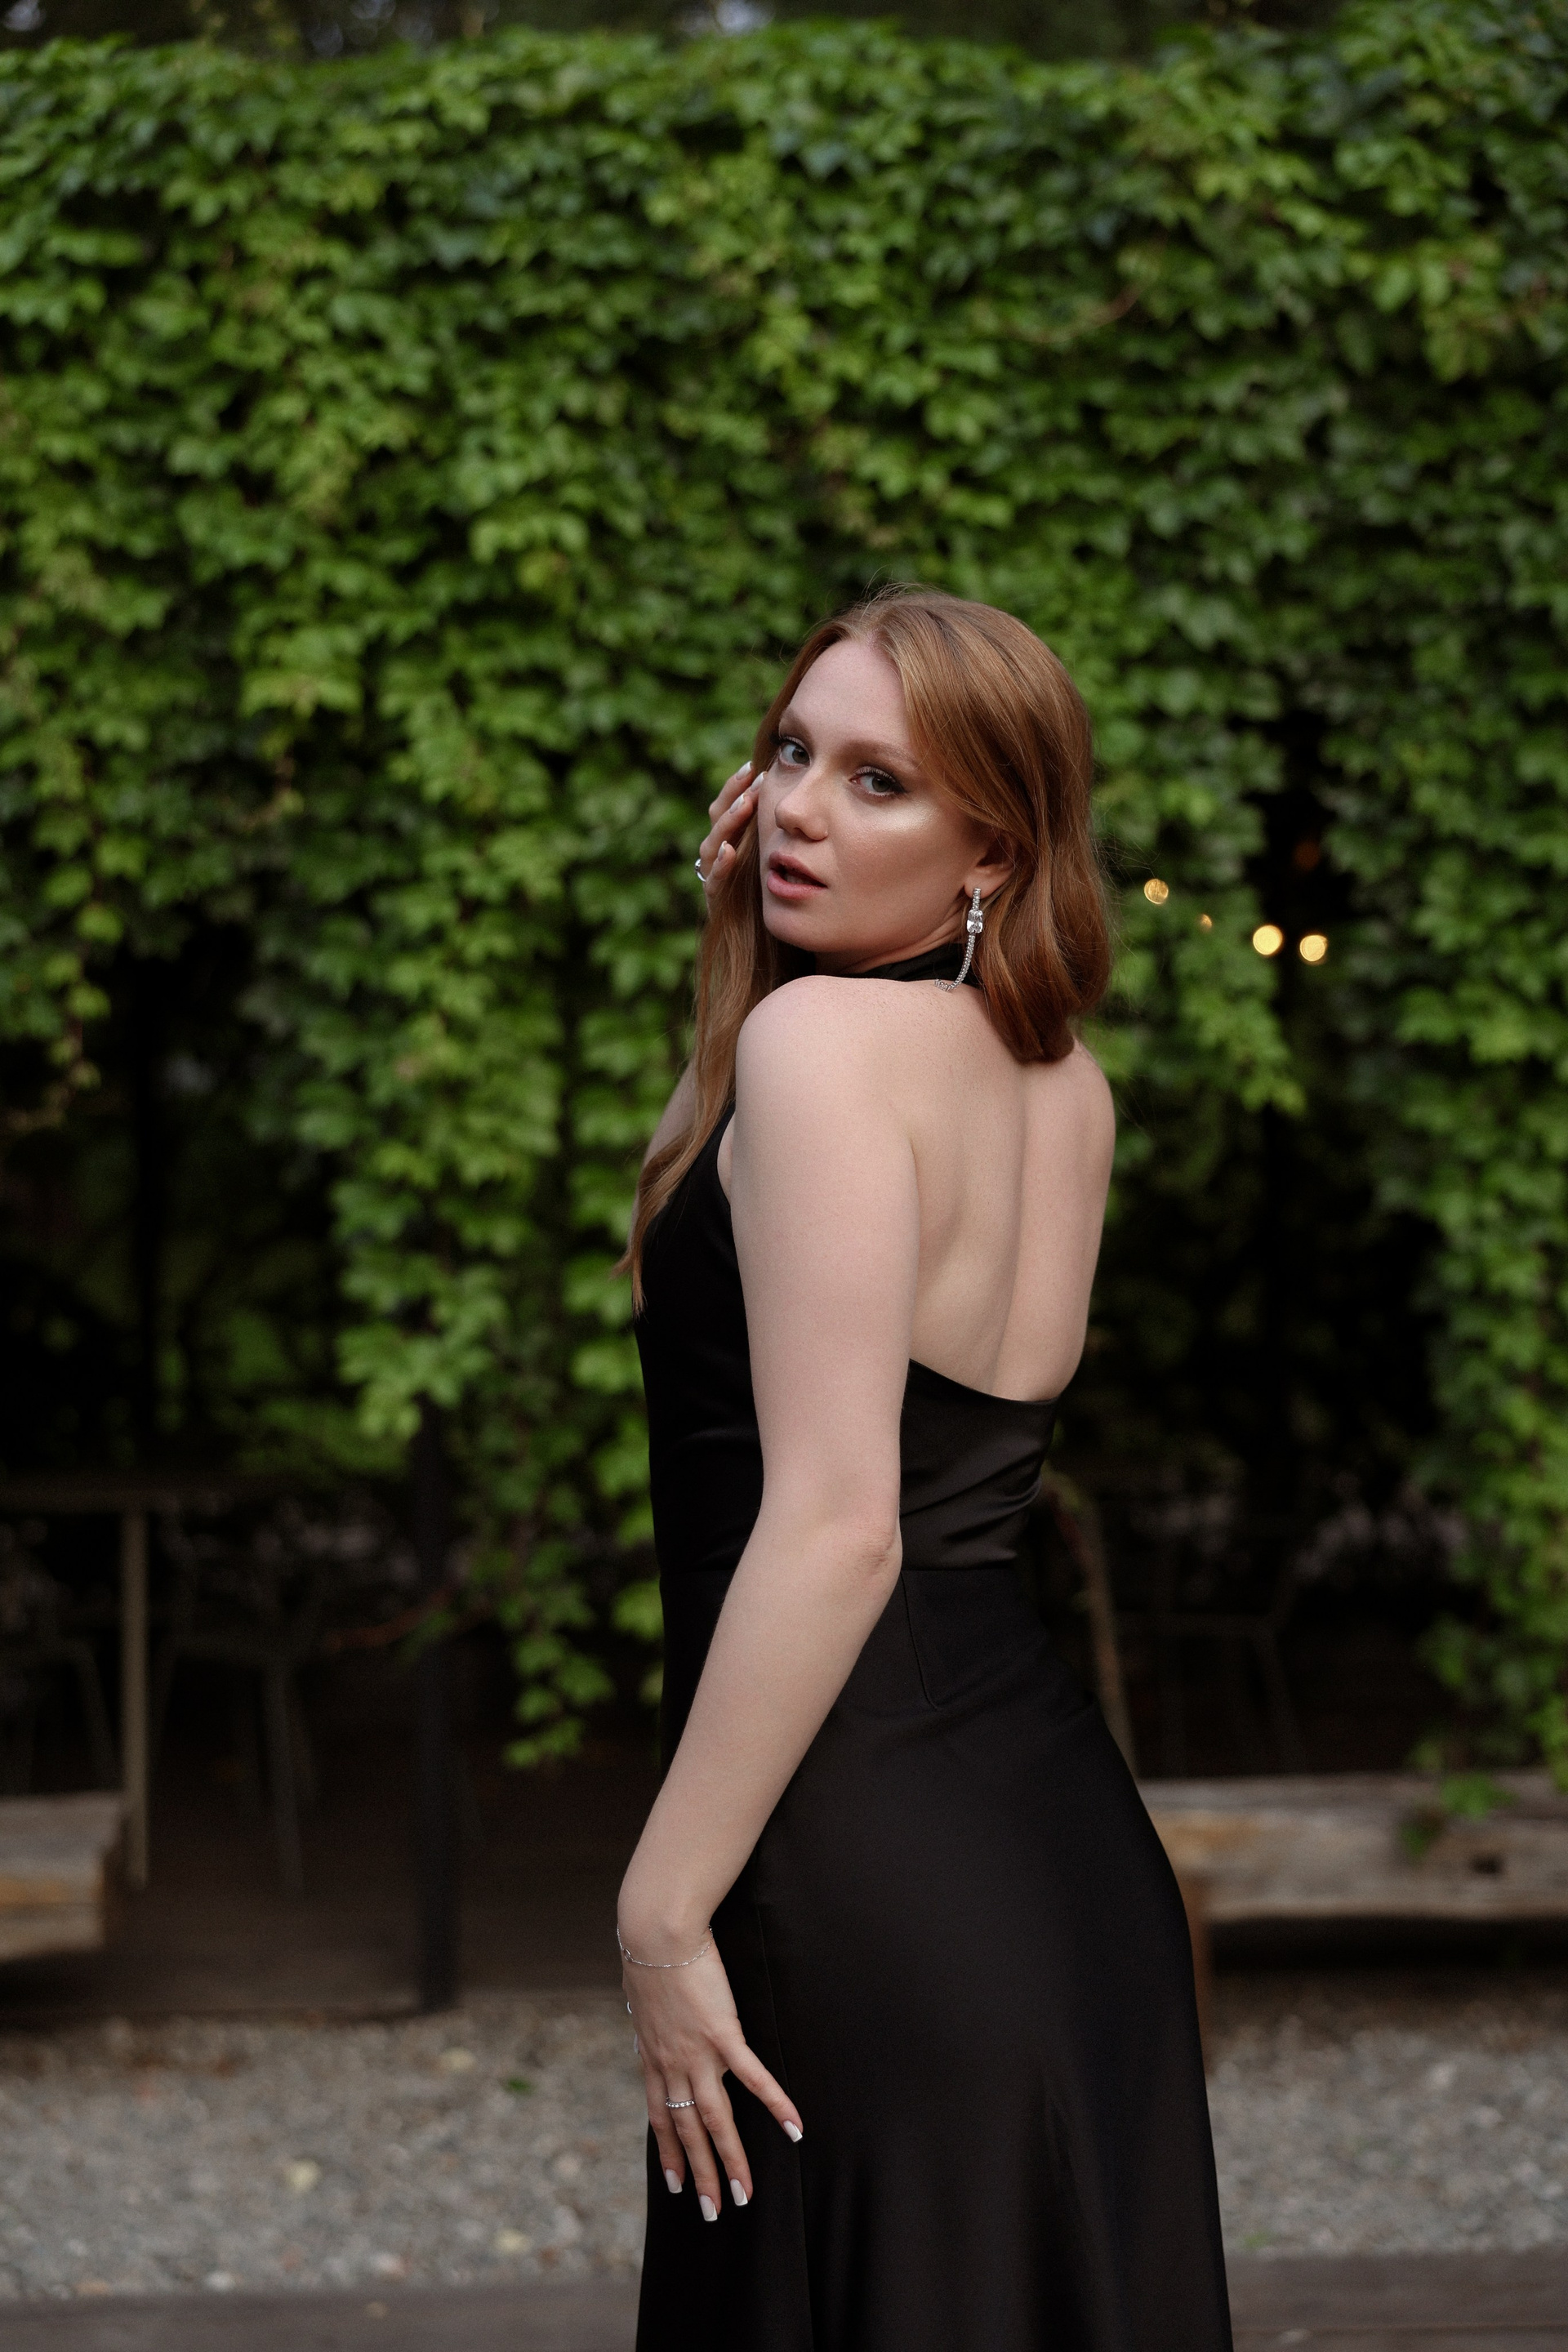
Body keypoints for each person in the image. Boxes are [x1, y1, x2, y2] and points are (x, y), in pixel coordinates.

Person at [618, 586, 1232, 2351]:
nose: (799, 809)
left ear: (995, 849)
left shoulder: (818, 1052)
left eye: (877, 781)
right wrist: (739, 959)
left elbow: (839, 1527)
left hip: (854, 1846)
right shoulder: (1063, 1082)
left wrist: (659, 1905)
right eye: (792, 752)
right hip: (1056, 1856)